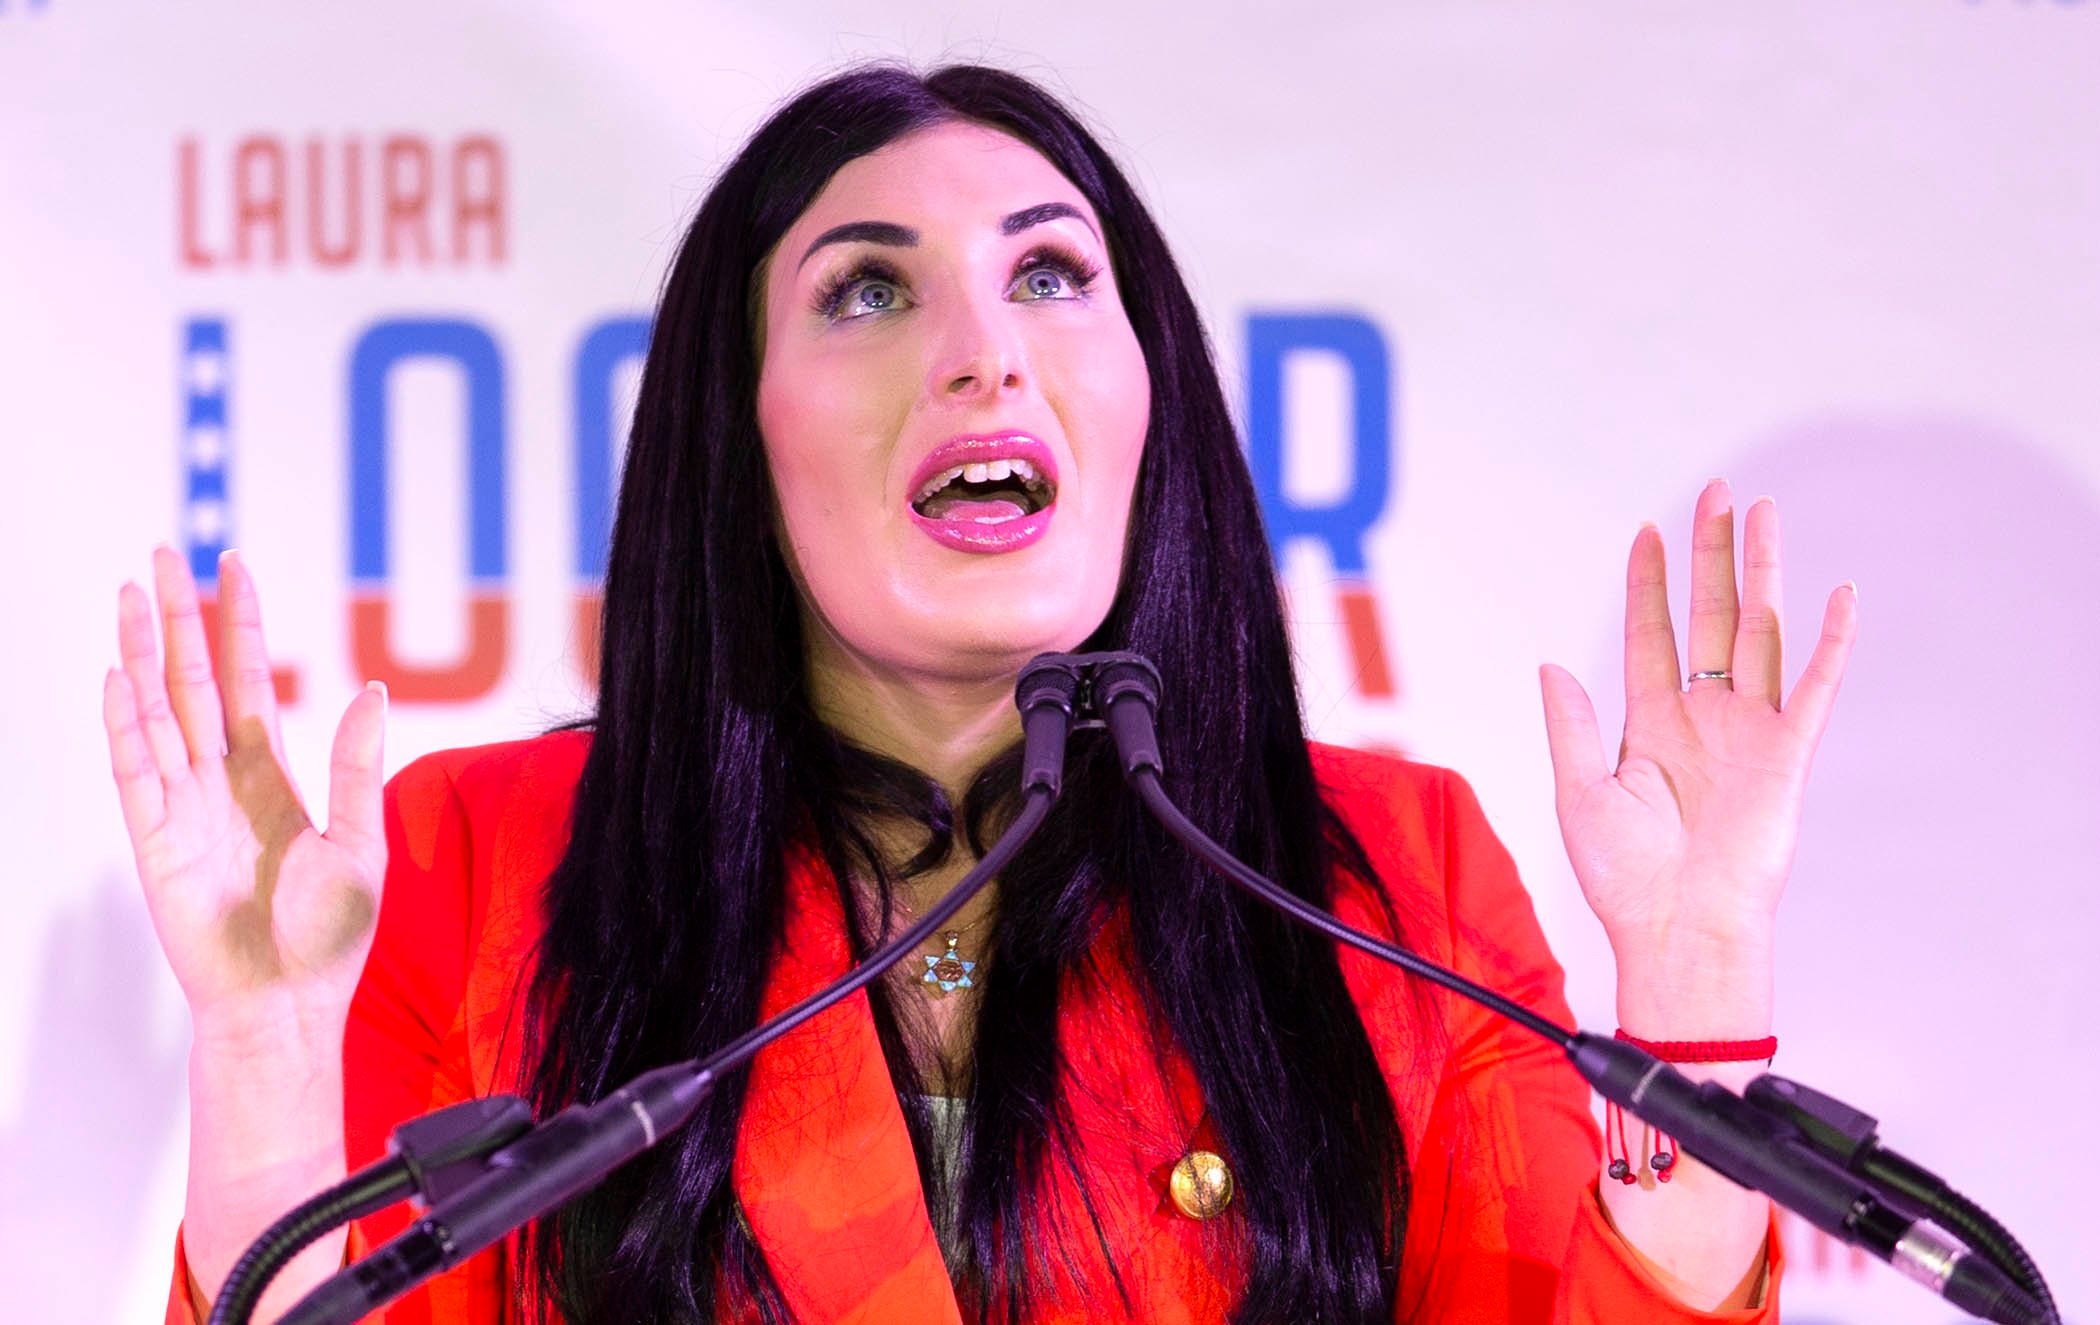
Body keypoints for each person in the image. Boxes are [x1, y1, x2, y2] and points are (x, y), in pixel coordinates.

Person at [106, 64, 1857, 1324]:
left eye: (1049, 274)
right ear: (744, 432)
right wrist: (262, 1052)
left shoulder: (1391, 875)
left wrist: (1698, 976)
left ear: (1145, 391)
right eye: (871, 289)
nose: (983, 345)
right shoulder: (481, 858)